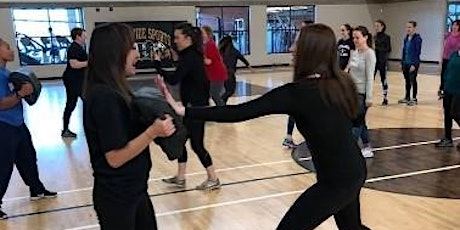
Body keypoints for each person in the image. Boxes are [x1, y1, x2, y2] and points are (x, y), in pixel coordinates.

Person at [157, 23, 370, 230]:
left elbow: (238, 113)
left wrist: (186, 111)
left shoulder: (299, 93)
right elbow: (356, 118)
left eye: (296, 44)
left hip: (336, 181)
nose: (291, 49)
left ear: (310, 52)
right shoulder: (339, 83)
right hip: (353, 170)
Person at [83, 22, 175, 230]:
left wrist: (162, 101)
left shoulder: (116, 91)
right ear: (115, 53)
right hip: (117, 198)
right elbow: (115, 158)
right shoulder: (104, 97)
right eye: (133, 47)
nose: (138, 54)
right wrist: (152, 132)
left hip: (134, 191)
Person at [153, 22, 221, 190]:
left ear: (188, 38)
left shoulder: (191, 57)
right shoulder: (190, 55)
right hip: (190, 107)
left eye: (177, 37)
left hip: (197, 109)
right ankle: (181, 177)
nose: (175, 40)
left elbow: (174, 78)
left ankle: (213, 178)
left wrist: (158, 65)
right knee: (180, 139)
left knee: (197, 145)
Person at [0, 38, 57, 220]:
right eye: (7, 47)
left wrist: (25, 93)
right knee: (3, 167)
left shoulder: (6, 73)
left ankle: (36, 189)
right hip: (4, 127)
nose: (12, 50)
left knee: (28, 158)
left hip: (17, 124)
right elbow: (1, 104)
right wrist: (20, 93)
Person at [282, 20, 314, 149]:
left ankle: (290, 136)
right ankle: (289, 136)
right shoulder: (302, 41)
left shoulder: (307, 42)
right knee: (299, 109)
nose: (301, 30)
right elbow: (292, 50)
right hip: (304, 80)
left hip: (306, 78)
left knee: (300, 110)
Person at [348, 26, 376, 158]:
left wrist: (369, 97)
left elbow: (370, 76)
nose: (355, 40)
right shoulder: (354, 53)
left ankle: (350, 149)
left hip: (362, 93)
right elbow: (349, 71)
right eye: (353, 37)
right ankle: (367, 146)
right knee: (361, 121)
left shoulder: (369, 54)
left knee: (357, 121)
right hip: (352, 92)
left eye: (357, 37)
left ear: (365, 37)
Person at [61, 27, 88, 138]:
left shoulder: (79, 47)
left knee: (87, 102)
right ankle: (65, 129)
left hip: (78, 80)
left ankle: (91, 125)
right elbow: (74, 64)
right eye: (84, 35)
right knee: (71, 104)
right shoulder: (73, 48)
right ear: (78, 36)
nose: (85, 37)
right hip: (72, 81)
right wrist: (90, 62)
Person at [435, 48, 460, 148]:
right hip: (448, 89)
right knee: (447, 114)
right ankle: (447, 138)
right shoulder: (453, 55)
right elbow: (447, 72)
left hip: (458, 91)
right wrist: (442, 87)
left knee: (455, 114)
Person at [218, 35, 252, 104]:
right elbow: (242, 58)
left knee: (226, 90)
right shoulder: (234, 51)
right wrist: (248, 65)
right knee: (230, 91)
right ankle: (221, 100)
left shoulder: (221, 51)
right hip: (229, 73)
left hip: (221, 73)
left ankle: (222, 104)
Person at [201, 26, 228, 106]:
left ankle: (224, 111)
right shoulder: (206, 45)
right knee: (210, 94)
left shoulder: (210, 45)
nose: (201, 34)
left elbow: (208, 61)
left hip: (217, 74)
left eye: (202, 32)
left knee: (214, 95)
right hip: (213, 74)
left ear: (207, 34)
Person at [398, 21, 422, 106]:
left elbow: (417, 52)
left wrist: (414, 64)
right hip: (405, 63)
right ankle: (407, 97)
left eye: (410, 27)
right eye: (407, 27)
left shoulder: (417, 39)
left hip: (413, 63)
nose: (408, 29)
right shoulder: (406, 38)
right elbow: (404, 51)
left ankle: (414, 98)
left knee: (413, 80)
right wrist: (402, 62)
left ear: (414, 28)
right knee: (407, 81)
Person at [438, 20, 460, 100]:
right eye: (453, 25)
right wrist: (441, 58)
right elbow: (444, 47)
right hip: (446, 58)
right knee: (443, 75)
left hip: (454, 60)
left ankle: (450, 92)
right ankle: (442, 90)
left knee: (451, 76)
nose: (454, 27)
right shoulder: (448, 35)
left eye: (456, 25)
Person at [374, 20, 391, 106]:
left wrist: (377, 48)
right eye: (375, 26)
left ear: (382, 26)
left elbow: (388, 49)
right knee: (370, 79)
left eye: (378, 26)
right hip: (374, 62)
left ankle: (385, 98)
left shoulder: (386, 37)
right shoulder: (374, 37)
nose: (376, 27)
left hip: (382, 62)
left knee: (383, 79)